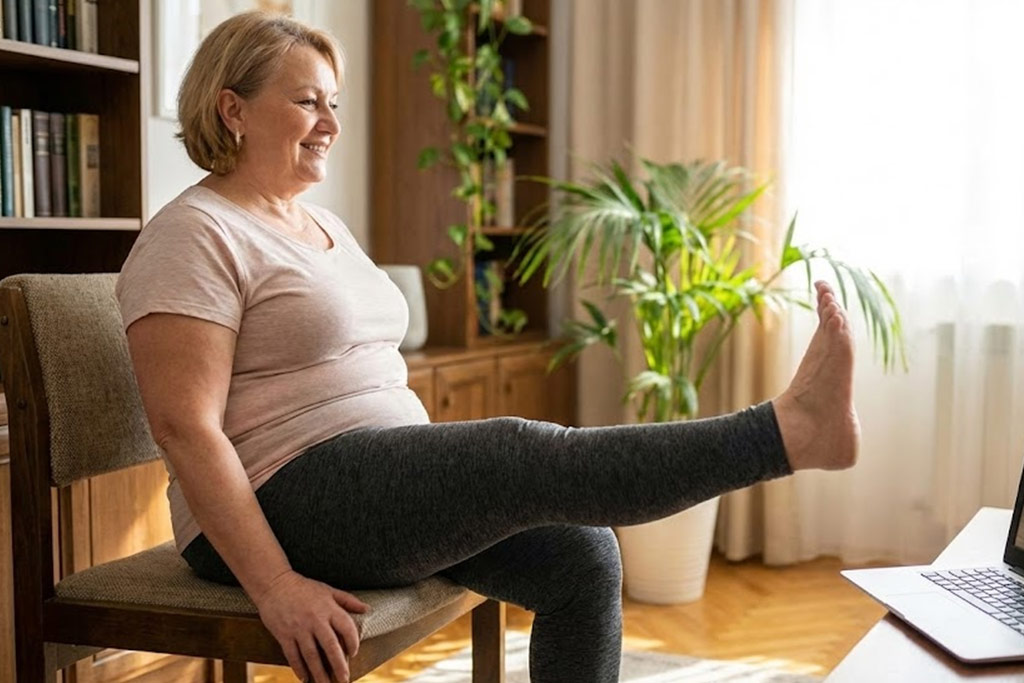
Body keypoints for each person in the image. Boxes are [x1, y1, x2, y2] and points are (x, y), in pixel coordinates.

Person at [115, 11, 859, 683]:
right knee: (521, 450)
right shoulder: (193, 233)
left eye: (333, 103)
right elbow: (186, 425)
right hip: (282, 497)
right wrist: (276, 585)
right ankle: (785, 432)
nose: (331, 123)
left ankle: (788, 431)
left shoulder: (326, 226)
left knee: (581, 554)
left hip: (375, 480)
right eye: (308, 100)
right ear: (232, 108)